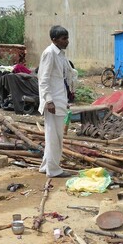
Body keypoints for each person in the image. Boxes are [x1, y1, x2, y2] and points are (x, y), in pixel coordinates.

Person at [37, 25, 76, 178]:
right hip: (52, 101)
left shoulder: (60, 54)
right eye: (63, 38)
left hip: (60, 98)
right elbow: (43, 79)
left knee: (53, 135)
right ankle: (53, 170)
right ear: (54, 40)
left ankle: (46, 166)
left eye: (67, 38)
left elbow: (67, 74)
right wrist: (49, 100)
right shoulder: (50, 53)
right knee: (55, 137)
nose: (67, 41)